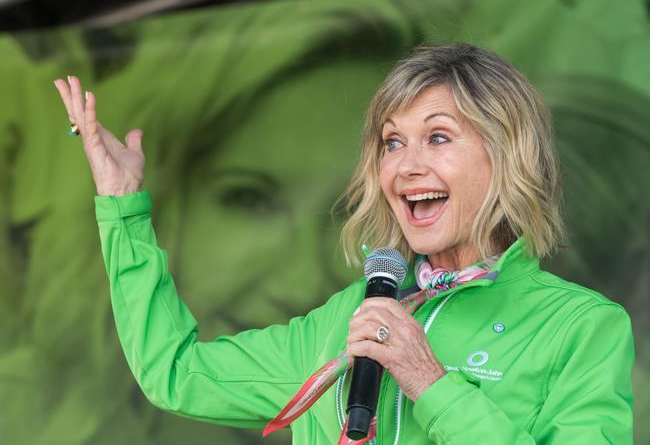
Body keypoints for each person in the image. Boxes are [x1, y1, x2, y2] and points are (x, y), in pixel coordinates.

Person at [54, 43, 634, 444]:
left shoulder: (581, 327)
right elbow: (176, 374)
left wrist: (429, 382)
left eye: (437, 137)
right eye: (391, 142)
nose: (407, 166)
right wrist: (123, 206)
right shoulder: (350, 315)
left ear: (509, 156)